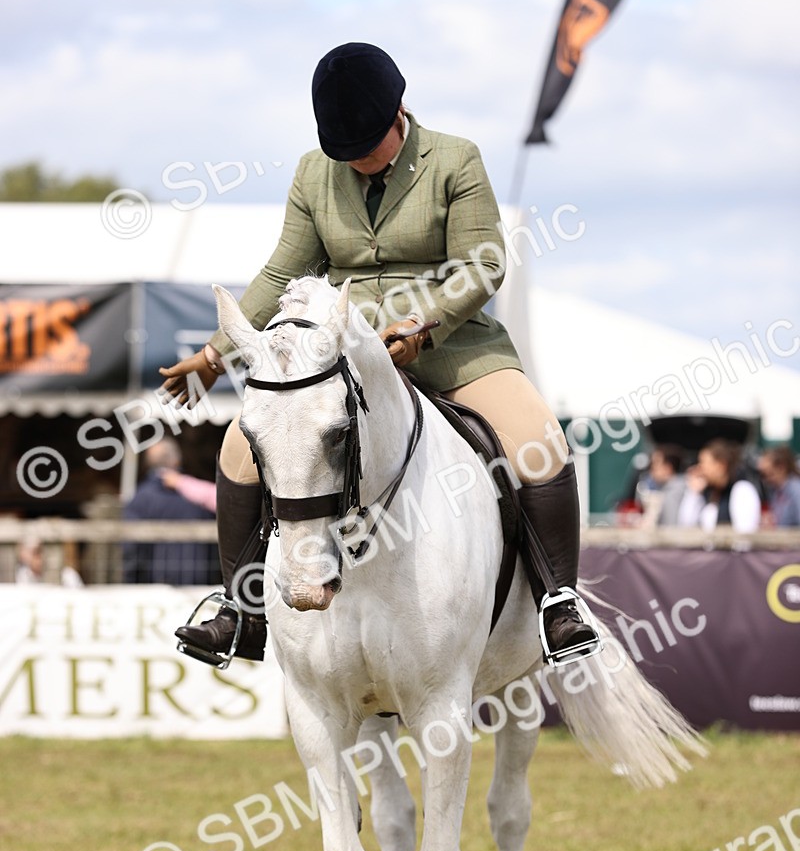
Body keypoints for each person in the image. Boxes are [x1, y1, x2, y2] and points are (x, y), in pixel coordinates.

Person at [159, 42, 599, 667]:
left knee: (539, 438)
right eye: (346, 152)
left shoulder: (454, 159)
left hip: (451, 341)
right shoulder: (316, 172)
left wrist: (426, 322)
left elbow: (485, 262)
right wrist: (216, 350)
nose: (358, 163)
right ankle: (238, 609)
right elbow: (286, 267)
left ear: (399, 113)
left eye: (367, 145)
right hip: (341, 349)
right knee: (239, 447)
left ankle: (558, 601)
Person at [123, 439, 219, 585]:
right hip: (200, 583)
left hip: (154, 584)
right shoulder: (201, 497)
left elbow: (131, 548)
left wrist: (131, 581)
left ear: (148, 463)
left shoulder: (140, 499)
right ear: (176, 461)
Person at [677, 439, 761, 532]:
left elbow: (745, 534)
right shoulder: (708, 493)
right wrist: (694, 493)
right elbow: (686, 526)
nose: (700, 468)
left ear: (721, 465)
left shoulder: (742, 490)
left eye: (703, 463)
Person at [638, 444, 686, 528]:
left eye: (656, 464)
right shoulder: (669, 489)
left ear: (668, 468)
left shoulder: (673, 492)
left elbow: (670, 529)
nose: (652, 468)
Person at [757, 445, 800, 527]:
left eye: (767, 474)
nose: (765, 479)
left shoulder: (796, 490)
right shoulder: (774, 491)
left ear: (781, 468)